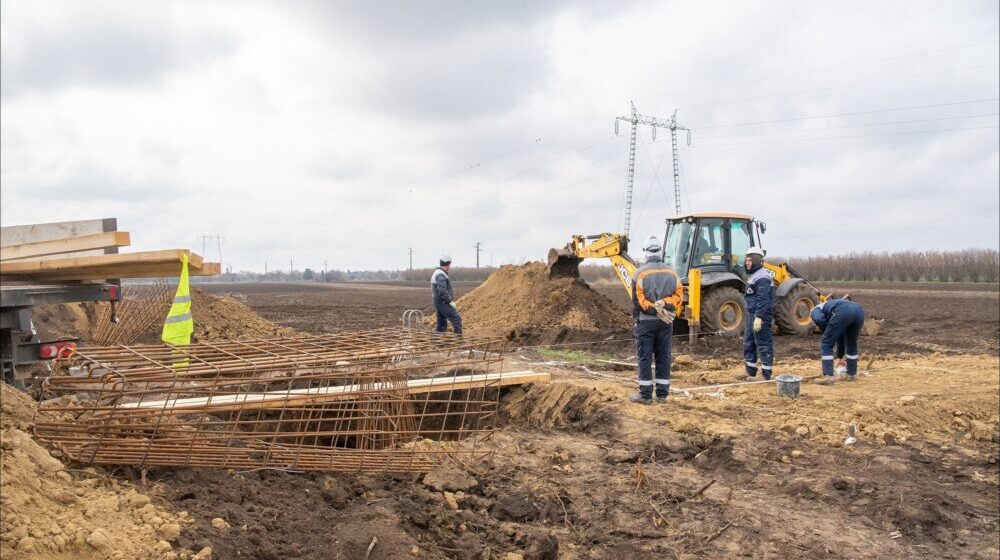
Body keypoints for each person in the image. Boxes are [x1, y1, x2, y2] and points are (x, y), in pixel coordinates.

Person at [629, 236, 684, 405]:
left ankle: (645, 395)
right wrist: (664, 306)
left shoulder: (639, 273)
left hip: (646, 322)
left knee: (645, 357)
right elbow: (679, 297)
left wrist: (654, 309)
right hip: (665, 322)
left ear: (645, 252)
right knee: (663, 356)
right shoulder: (673, 273)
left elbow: (638, 301)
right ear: (661, 251)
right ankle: (662, 395)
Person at [810, 298, 865, 385]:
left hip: (843, 311)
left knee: (826, 342)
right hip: (859, 311)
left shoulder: (815, 309)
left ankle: (828, 376)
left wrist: (826, 332)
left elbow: (819, 320)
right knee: (851, 343)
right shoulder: (831, 305)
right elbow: (841, 337)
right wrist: (840, 357)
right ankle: (851, 374)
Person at [742, 247, 775, 381]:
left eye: (749, 260)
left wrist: (759, 317)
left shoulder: (763, 277)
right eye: (746, 260)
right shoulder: (754, 275)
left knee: (763, 343)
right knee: (748, 343)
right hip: (753, 315)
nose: (747, 263)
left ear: (756, 260)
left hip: (761, 316)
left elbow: (763, 298)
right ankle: (751, 372)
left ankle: (766, 374)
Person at [431, 254, 462, 335]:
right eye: (450, 264)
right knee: (456, 319)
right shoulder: (440, 274)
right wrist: (449, 301)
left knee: (441, 323)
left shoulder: (438, 272)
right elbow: (442, 290)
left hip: (439, 301)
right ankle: (459, 343)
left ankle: (439, 343)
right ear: (447, 264)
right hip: (443, 302)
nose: (450, 266)